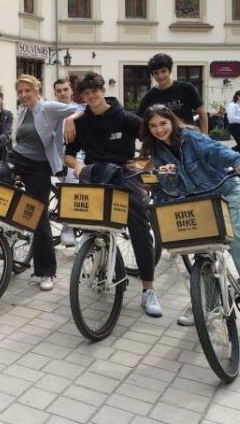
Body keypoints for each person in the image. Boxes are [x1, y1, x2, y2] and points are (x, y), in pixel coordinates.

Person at [141, 105, 240, 317]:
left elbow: (216, 150)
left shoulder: (190, 138)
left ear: (172, 122)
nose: (159, 130)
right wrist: (159, 180)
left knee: (233, 237)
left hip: (225, 194)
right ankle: (211, 306)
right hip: (198, 204)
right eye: (153, 126)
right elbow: (169, 190)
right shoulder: (158, 152)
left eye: (163, 123)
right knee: (203, 251)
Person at [64, 72, 162, 317]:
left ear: (103, 90)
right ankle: (95, 258)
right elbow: (68, 155)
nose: (91, 96)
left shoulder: (127, 119)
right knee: (86, 222)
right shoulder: (81, 122)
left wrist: (142, 166)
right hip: (95, 175)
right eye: (86, 94)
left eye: (95, 91)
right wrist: (77, 165)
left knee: (139, 228)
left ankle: (148, 289)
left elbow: (155, 142)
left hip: (124, 177)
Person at [12, 75, 82, 291]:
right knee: (1, 202)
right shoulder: (23, 111)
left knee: (39, 217)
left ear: (37, 90)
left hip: (38, 167)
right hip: (18, 161)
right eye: (20, 91)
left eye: (27, 91)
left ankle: (46, 271)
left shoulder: (48, 107)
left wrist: (70, 119)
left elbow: (82, 108)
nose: (23, 95)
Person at [137, 53, 208, 134]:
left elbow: (202, 113)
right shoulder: (150, 96)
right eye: (156, 73)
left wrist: (205, 138)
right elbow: (139, 120)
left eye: (163, 71)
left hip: (188, 137)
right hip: (163, 139)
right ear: (152, 75)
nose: (160, 76)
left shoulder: (186, 88)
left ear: (170, 71)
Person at [53, 78, 83, 247]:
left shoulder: (79, 109)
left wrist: (71, 118)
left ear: (71, 91)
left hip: (75, 155)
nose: (63, 93)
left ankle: (70, 226)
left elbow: (84, 109)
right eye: (59, 91)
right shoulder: (52, 110)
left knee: (73, 187)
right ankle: (66, 228)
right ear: (55, 94)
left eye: (65, 89)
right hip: (55, 156)